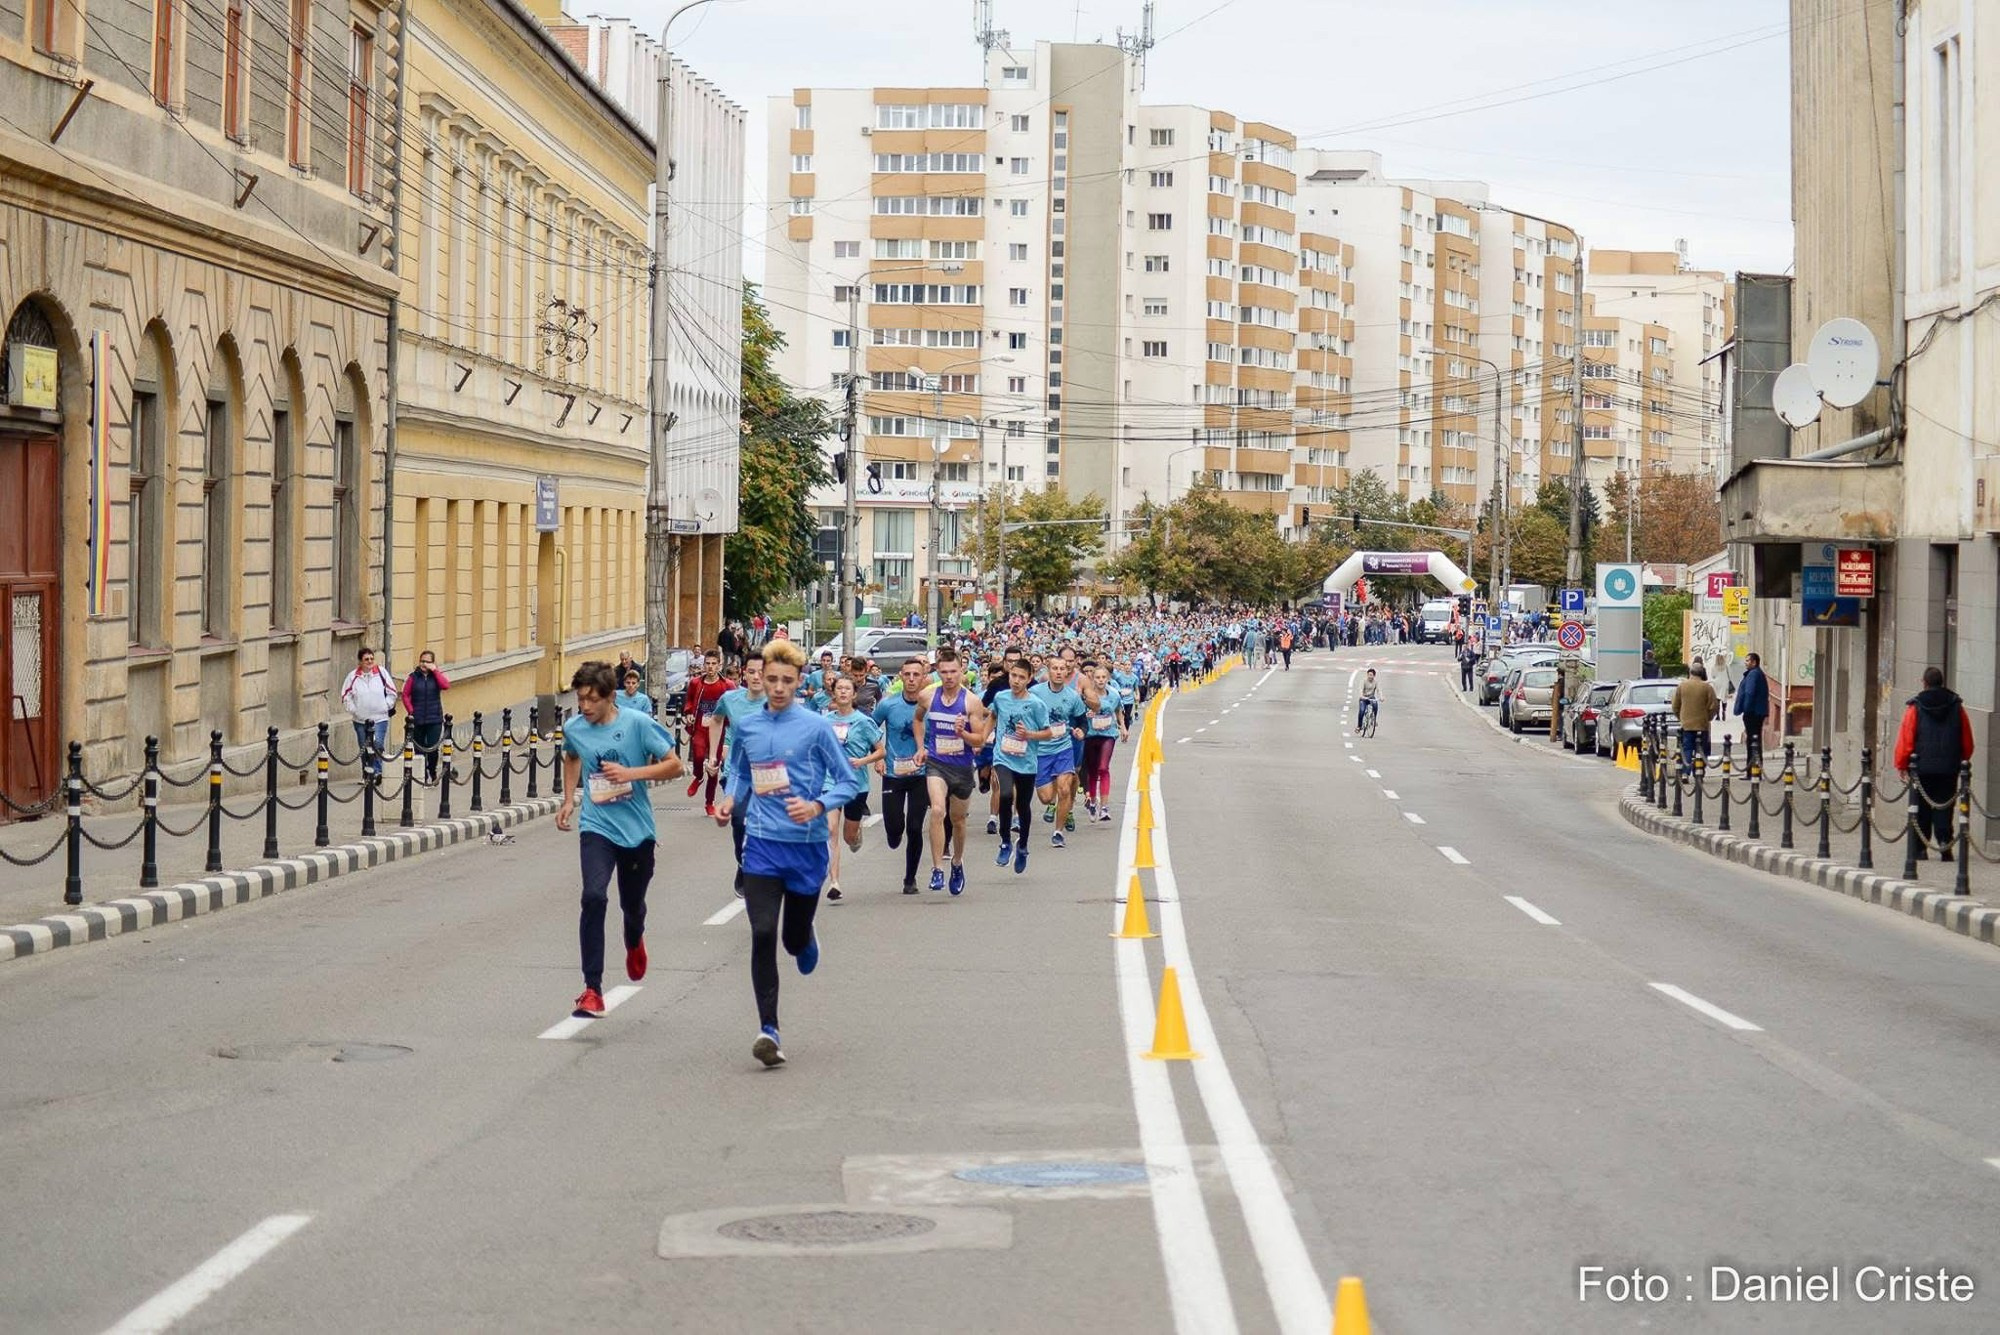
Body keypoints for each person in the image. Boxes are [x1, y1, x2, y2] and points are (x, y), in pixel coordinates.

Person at [714, 639, 859, 1067]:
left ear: (799, 682)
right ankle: (769, 1030)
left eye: (786, 681)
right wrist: (728, 798)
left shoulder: (815, 727)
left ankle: (805, 933)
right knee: (761, 933)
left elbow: (847, 780)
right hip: (760, 844)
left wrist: (817, 805)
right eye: (771, 679)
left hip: (806, 846)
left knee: (792, 940)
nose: (777, 687)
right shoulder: (748, 725)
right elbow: (738, 771)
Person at [555, 660, 683, 1019]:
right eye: (581, 699)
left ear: (611, 697)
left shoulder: (638, 724)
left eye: (592, 700)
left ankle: (634, 936)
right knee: (593, 896)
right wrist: (568, 800)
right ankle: (592, 990)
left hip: (637, 829)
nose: (585, 707)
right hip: (597, 825)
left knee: (632, 905)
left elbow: (676, 765)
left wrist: (631, 773)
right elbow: (571, 756)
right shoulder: (575, 727)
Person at [911, 647, 989, 895]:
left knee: (957, 821)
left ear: (961, 671)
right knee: (936, 810)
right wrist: (921, 747)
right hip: (936, 762)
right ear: (937, 672)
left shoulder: (971, 702)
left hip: (962, 767)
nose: (949, 677)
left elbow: (980, 741)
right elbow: (918, 719)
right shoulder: (927, 696)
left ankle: (957, 862)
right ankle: (937, 869)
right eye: (943, 672)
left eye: (953, 671)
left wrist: (962, 733)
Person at [1893, 666, 1976, 861]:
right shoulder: (1957, 706)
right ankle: (1945, 845)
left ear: (1924, 682)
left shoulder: (1916, 707)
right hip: (1948, 767)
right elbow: (1967, 740)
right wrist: (1961, 760)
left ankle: (1920, 849)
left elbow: (1907, 738)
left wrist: (1902, 764)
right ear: (1942, 682)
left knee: (1921, 807)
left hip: (1922, 767)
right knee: (1944, 806)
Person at [873, 657, 933, 894]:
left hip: (921, 774)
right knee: (894, 828)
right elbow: (870, 729)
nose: (911, 679)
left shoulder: (931, 705)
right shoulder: (888, 705)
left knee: (915, 828)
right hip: (893, 774)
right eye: (907, 675)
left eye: (915, 675)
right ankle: (893, 834)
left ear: (923, 677)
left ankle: (910, 878)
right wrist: (878, 756)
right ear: (900, 676)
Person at [823, 675, 883, 903]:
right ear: (833, 693)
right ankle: (834, 882)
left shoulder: (863, 721)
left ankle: (856, 835)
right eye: (839, 689)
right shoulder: (825, 721)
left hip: (856, 784)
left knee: (848, 836)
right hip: (830, 781)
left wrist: (862, 761)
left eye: (848, 689)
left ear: (854, 694)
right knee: (830, 831)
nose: (843, 692)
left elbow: (881, 750)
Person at [711, 651, 766, 893]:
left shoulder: (777, 701)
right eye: (751, 671)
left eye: (761, 673)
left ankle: (759, 867)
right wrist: (713, 754)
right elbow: (715, 720)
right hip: (738, 774)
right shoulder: (731, 699)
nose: (756, 677)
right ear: (744, 672)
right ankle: (743, 863)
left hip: (769, 775)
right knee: (739, 820)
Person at [1030, 656, 1086, 848]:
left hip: (1063, 748)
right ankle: (1052, 796)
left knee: (1064, 789)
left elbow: (1082, 720)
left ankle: (1058, 832)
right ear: (1048, 670)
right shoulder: (1035, 692)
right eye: (1055, 668)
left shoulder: (1072, 697)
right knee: (1046, 797)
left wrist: (1081, 731)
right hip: (1040, 750)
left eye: (1063, 668)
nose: (1059, 672)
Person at [339, 646, 398, 779]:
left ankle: (376, 772)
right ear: (360, 662)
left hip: (380, 718)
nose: (370, 661)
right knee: (364, 746)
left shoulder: (381, 673)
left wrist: (386, 705)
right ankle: (366, 773)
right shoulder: (353, 676)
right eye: (366, 659)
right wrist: (354, 710)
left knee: (377, 744)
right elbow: (345, 696)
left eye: (372, 658)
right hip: (361, 720)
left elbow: (392, 692)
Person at [1081, 663, 1127, 822]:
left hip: (1108, 734)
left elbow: (1118, 711)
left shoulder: (1113, 695)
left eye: (1103, 677)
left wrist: (1123, 727)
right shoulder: (1087, 695)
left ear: (1108, 679)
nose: (1100, 680)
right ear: (1092, 679)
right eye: (1097, 677)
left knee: (1103, 767)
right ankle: (1093, 802)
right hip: (1090, 736)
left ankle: (1105, 807)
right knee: (1093, 771)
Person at [399, 650, 451, 785]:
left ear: (433, 663)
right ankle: (422, 775)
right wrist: (411, 711)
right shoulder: (413, 677)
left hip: (434, 718)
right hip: (418, 718)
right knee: (419, 749)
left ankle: (432, 771)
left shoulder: (436, 677)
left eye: (427, 661)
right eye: (422, 661)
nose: (424, 664)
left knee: (432, 748)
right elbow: (405, 695)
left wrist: (435, 671)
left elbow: (446, 685)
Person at [1671, 662, 1719, 774]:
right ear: (1702, 673)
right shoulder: (1707, 687)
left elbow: (1675, 706)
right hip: (1702, 724)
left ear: (1690, 672)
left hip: (1686, 725)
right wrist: (1708, 717)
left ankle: (1685, 773)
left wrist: (1681, 717)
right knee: (1702, 749)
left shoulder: (1682, 686)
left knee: (1687, 748)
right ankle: (1699, 770)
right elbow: (1714, 705)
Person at [1733, 651, 1770, 776]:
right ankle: (1754, 770)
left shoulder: (1753, 674)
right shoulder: (1756, 673)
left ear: (1754, 662)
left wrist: (1746, 710)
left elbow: (1749, 692)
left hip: (1753, 712)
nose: (1745, 663)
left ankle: (1753, 771)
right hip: (1757, 711)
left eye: (1748, 660)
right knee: (1755, 741)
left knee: (1753, 742)